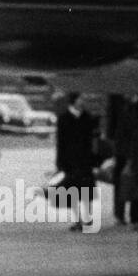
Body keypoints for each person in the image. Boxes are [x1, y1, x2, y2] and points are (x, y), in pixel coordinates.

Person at [55, 92, 100, 231]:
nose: (83, 101)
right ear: (74, 101)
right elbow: (60, 143)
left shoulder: (87, 118)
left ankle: (87, 218)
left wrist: (95, 159)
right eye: (81, 99)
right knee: (73, 191)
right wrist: (60, 162)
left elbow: (93, 140)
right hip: (71, 160)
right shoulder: (63, 119)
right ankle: (77, 220)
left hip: (86, 159)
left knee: (87, 190)